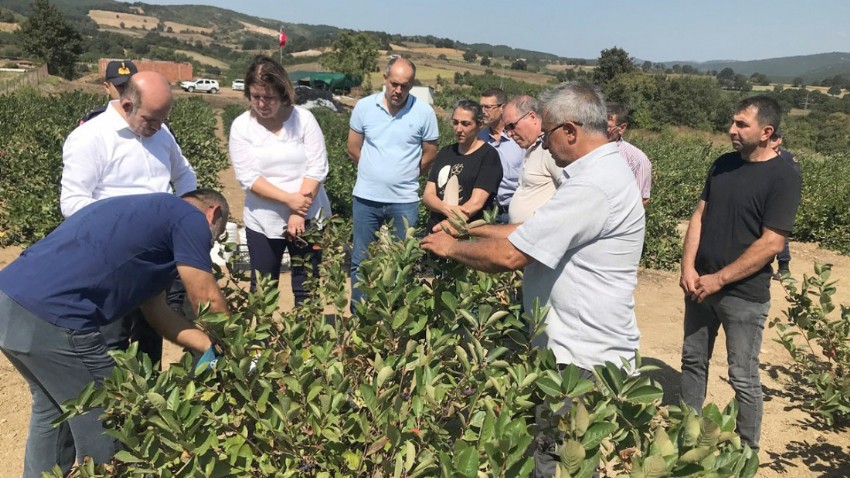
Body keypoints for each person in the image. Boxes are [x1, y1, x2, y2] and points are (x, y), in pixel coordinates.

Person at [421, 82, 645, 476]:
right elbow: (533, 230)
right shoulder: (594, 175)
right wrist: (466, 233)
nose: (545, 144)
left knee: (558, 465)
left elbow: (511, 256)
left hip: (580, 359)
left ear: (571, 131)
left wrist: (448, 249)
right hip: (573, 350)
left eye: (549, 134)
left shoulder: (593, 186)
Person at [0, 190, 230, 478]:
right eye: (214, 238)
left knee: (56, 413)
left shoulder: (146, 221)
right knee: (111, 421)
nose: (206, 245)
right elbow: (205, 295)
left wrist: (214, 348)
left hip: (10, 302)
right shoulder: (190, 217)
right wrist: (237, 346)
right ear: (214, 213)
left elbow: (159, 313)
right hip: (57, 317)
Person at [679, 96, 802, 452]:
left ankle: (746, 453)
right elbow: (699, 216)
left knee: (743, 375)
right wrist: (688, 267)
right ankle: (686, 434)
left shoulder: (783, 177)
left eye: (741, 125)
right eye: (732, 123)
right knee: (692, 360)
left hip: (743, 296)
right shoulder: (722, 165)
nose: (731, 130)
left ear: (766, 132)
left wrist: (719, 278)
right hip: (700, 285)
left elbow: (772, 243)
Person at [61, 71, 198, 365]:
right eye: (150, 119)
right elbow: (72, 202)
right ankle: (117, 407)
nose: (158, 127)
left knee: (152, 333)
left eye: (162, 120)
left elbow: (185, 174)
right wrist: (123, 229)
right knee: (113, 338)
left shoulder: (161, 133)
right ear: (126, 105)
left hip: (156, 257)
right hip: (111, 259)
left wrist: (187, 213)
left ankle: (151, 404)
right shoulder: (90, 138)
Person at [229, 56, 331, 304]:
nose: (262, 103)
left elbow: (317, 167)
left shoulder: (304, 120)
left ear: (283, 93)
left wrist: (299, 211)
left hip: (309, 216)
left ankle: (306, 342)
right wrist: (290, 201)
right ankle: (264, 343)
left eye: (269, 97)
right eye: (255, 96)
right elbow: (249, 178)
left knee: (307, 288)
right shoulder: (242, 127)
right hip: (264, 220)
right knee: (263, 291)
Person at [347, 56, 439, 309]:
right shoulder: (364, 107)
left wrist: (407, 174)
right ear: (384, 79)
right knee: (361, 259)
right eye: (394, 84)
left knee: (402, 260)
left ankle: (396, 316)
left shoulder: (424, 112)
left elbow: (430, 152)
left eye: (405, 86)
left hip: (404, 201)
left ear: (411, 85)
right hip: (366, 197)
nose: (398, 90)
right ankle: (360, 315)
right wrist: (373, 171)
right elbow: (353, 148)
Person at [423, 99, 502, 232]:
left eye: (465, 124)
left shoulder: (488, 156)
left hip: (466, 231)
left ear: (479, 125)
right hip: (436, 227)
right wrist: (445, 209)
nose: (458, 129)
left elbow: (476, 203)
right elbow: (428, 195)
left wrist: (447, 226)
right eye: (455, 122)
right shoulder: (445, 152)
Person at [501, 95, 564, 224]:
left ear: (532, 117)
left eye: (511, 126)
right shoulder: (533, 148)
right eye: (506, 129)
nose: (509, 134)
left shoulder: (550, 149)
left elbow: (571, 191)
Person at [478, 88, 524, 223]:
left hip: (516, 211)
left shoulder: (518, 137)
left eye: (488, 107)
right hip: (488, 212)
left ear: (502, 108)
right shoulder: (480, 138)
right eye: (481, 106)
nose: (483, 111)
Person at [768, 127, 800, 279]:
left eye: (775, 138)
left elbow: (793, 180)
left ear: (780, 140)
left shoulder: (788, 158)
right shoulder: (759, 156)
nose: (771, 141)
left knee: (780, 235)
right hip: (763, 199)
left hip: (781, 201)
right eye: (769, 138)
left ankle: (784, 267)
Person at [607, 103, 652, 207]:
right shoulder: (582, 151)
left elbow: (642, 200)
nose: (600, 131)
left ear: (622, 128)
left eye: (608, 127)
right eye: (597, 126)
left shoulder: (638, 160)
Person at [79, 59, 138, 124]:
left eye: (130, 85)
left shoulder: (148, 117)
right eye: (121, 86)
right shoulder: (93, 120)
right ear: (107, 87)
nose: (126, 90)